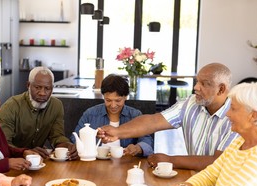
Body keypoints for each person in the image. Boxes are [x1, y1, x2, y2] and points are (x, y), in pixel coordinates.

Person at [98, 63, 239, 170]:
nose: (196, 87)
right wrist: (117, 131)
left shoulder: (236, 116)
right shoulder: (190, 103)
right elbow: (153, 121)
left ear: (221, 89)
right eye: (197, 81)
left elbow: (218, 162)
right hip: (196, 179)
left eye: (204, 83)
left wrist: (170, 160)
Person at [0, 66, 78, 160]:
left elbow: (57, 137)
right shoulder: (11, 106)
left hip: (38, 162)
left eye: (47, 88)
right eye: (37, 87)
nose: (42, 93)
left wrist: (68, 146)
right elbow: (2, 144)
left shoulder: (56, 105)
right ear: (28, 85)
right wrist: (25, 152)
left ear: (52, 89)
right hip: (13, 161)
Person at [70, 74, 153, 157]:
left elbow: (147, 140)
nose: (113, 105)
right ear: (103, 96)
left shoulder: (135, 115)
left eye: (118, 100)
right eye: (108, 100)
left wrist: (138, 148)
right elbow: (75, 138)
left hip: (125, 162)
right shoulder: (91, 114)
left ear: (126, 97)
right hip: (95, 160)